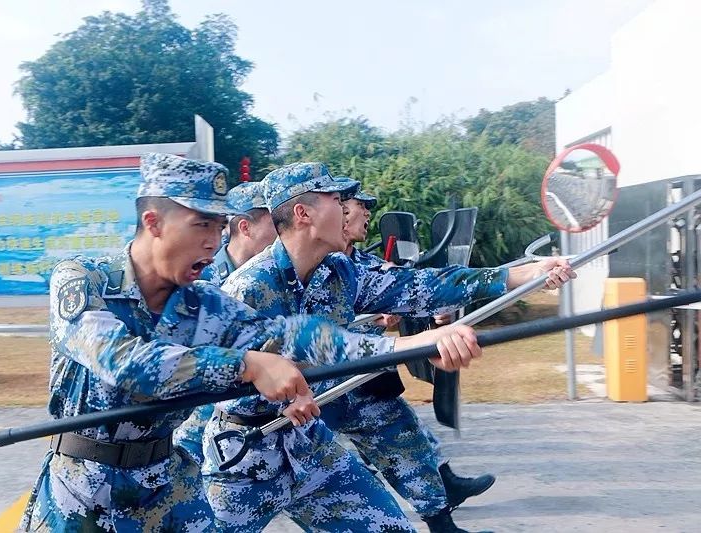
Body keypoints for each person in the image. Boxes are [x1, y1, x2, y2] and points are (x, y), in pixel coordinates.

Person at [20, 154, 442, 532]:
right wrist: (247, 365)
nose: (214, 239)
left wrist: (411, 346)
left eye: (220, 225)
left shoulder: (203, 303)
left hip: (166, 487)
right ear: (154, 223)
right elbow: (128, 365)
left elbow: (293, 338)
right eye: (202, 223)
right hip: (84, 493)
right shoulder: (83, 281)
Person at [214, 162, 575, 532]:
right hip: (247, 453)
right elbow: (303, 352)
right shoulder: (251, 288)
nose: (347, 209)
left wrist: (520, 276)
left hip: (309, 445)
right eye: (337, 200)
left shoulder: (338, 270)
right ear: (303, 214)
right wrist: (410, 344)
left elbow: (419, 286)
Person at [338, 179, 498, 530]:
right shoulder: (312, 266)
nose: (367, 212)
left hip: (364, 380)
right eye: (359, 205)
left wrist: (437, 311)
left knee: (407, 437)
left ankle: (443, 516)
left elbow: (414, 287)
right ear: (338, 211)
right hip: (314, 389)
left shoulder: (362, 263)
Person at [174, 180, 276, 467]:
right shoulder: (202, 277)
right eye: (274, 221)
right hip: (199, 415)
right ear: (245, 227)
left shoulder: (274, 276)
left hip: (250, 411)